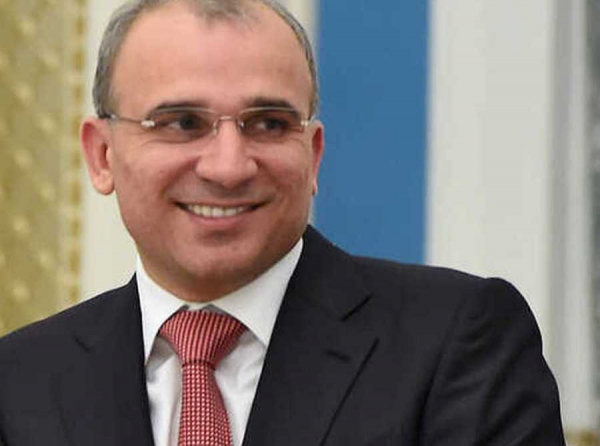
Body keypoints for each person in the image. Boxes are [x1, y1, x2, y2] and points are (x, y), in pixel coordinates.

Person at [0, 0, 566, 445]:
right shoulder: (18, 382)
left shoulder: (454, 343)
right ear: (101, 156)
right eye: (182, 123)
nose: (228, 167)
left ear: (313, 155)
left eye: (268, 124)